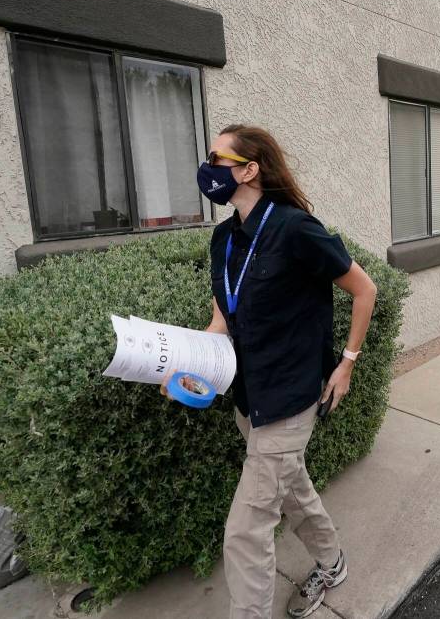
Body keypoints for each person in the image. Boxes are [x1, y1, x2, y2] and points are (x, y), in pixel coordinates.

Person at [161, 124, 377, 618]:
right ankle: (332, 561)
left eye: (218, 157)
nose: (208, 166)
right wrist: (184, 370)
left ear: (250, 169)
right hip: (248, 397)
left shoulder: (296, 229)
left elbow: (364, 290)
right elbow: (222, 320)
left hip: (291, 397)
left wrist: (347, 364)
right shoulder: (223, 239)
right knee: (293, 489)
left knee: (246, 529)